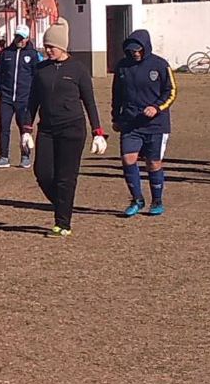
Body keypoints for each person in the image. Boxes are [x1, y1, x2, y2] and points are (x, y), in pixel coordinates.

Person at [22, 18, 107, 237]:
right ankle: (62, 204)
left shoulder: (78, 69)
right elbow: (32, 102)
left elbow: (89, 102)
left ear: (62, 46)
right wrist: (26, 130)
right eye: (46, 46)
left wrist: (98, 133)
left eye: (52, 47)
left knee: (66, 177)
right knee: (43, 173)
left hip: (72, 130)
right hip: (47, 130)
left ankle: (63, 223)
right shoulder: (41, 70)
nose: (48, 50)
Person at [111, 29, 177, 217]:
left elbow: (171, 91)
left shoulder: (160, 65)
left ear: (146, 47)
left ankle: (157, 200)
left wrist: (157, 107)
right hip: (130, 123)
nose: (135, 53)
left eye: (138, 50)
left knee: (153, 163)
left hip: (156, 124)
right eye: (132, 50)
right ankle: (137, 199)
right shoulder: (122, 67)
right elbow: (116, 95)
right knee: (127, 159)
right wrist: (116, 117)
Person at [0, 24, 40, 169]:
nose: (19, 40)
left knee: (24, 128)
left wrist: (37, 96)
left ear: (27, 38)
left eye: (22, 38)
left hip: (24, 99)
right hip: (6, 97)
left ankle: (25, 156)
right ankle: (4, 157)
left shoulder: (33, 55)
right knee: (4, 127)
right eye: (17, 37)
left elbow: (37, 76)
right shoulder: (6, 54)